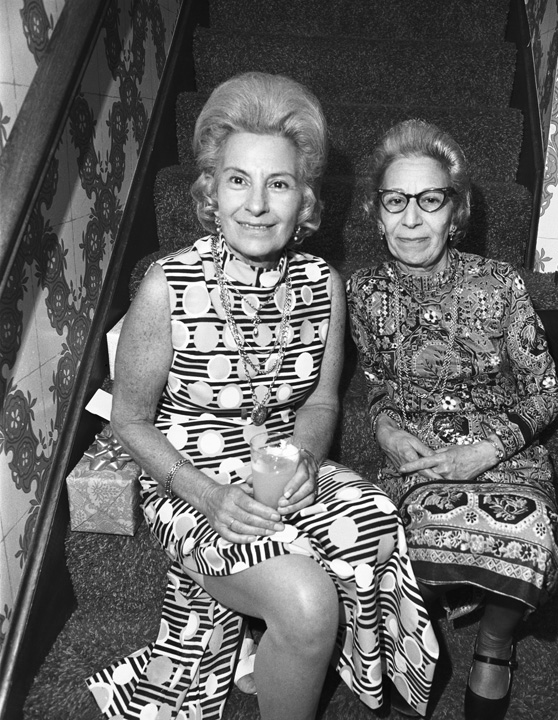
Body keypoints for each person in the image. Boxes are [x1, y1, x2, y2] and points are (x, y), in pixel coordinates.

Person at [86, 74, 438, 720]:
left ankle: (273, 649)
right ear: (210, 191)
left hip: (278, 474)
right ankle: (281, 631)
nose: (256, 204)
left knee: (378, 519)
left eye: (278, 184)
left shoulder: (325, 284)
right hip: (189, 485)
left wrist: (304, 459)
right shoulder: (168, 285)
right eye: (238, 180)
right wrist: (209, 495)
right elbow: (128, 420)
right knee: (308, 603)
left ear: (304, 198)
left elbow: (323, 403)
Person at [346, 120, 558, 720]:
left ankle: (494, 639)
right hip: (416, 458)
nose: (412, 220)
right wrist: (386, 430)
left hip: (503, 455)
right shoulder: (362, 291)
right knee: (372, 546)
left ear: (456, 211)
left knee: (530, 535)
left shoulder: (499, 285)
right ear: (378, 213)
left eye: (430, 200)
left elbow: (547, 396)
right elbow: (375, 386)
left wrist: (488, 449)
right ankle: (427, 620)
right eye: (396, 202)